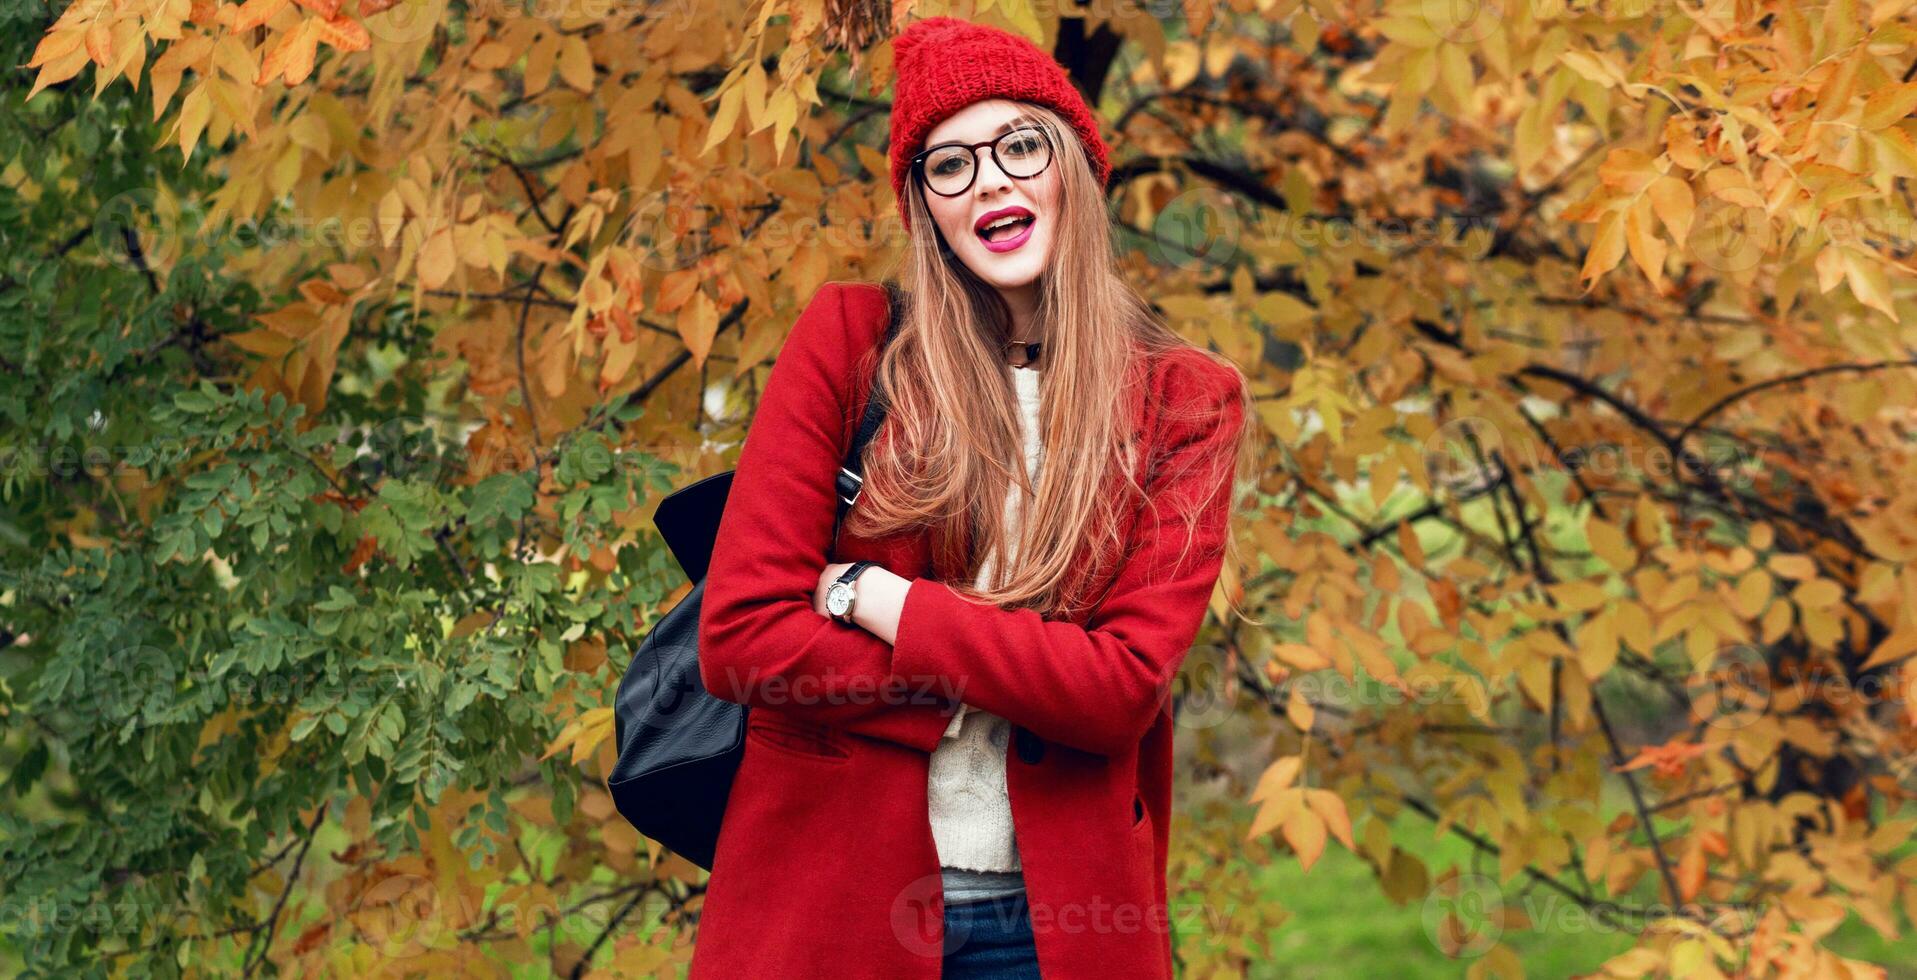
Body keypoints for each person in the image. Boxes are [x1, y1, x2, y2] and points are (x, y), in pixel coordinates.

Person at [688, 15, 1254, 980]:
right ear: (927, 210)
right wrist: (984, 684)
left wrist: (877, 599)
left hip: (1058, 927)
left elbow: (1116, 692)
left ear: (1072, 166)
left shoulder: (1185, 399)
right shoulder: (849, 346)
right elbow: (740, 634)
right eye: (947, 165)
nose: (988, 178)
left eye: (1019, 145)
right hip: (831, 906)